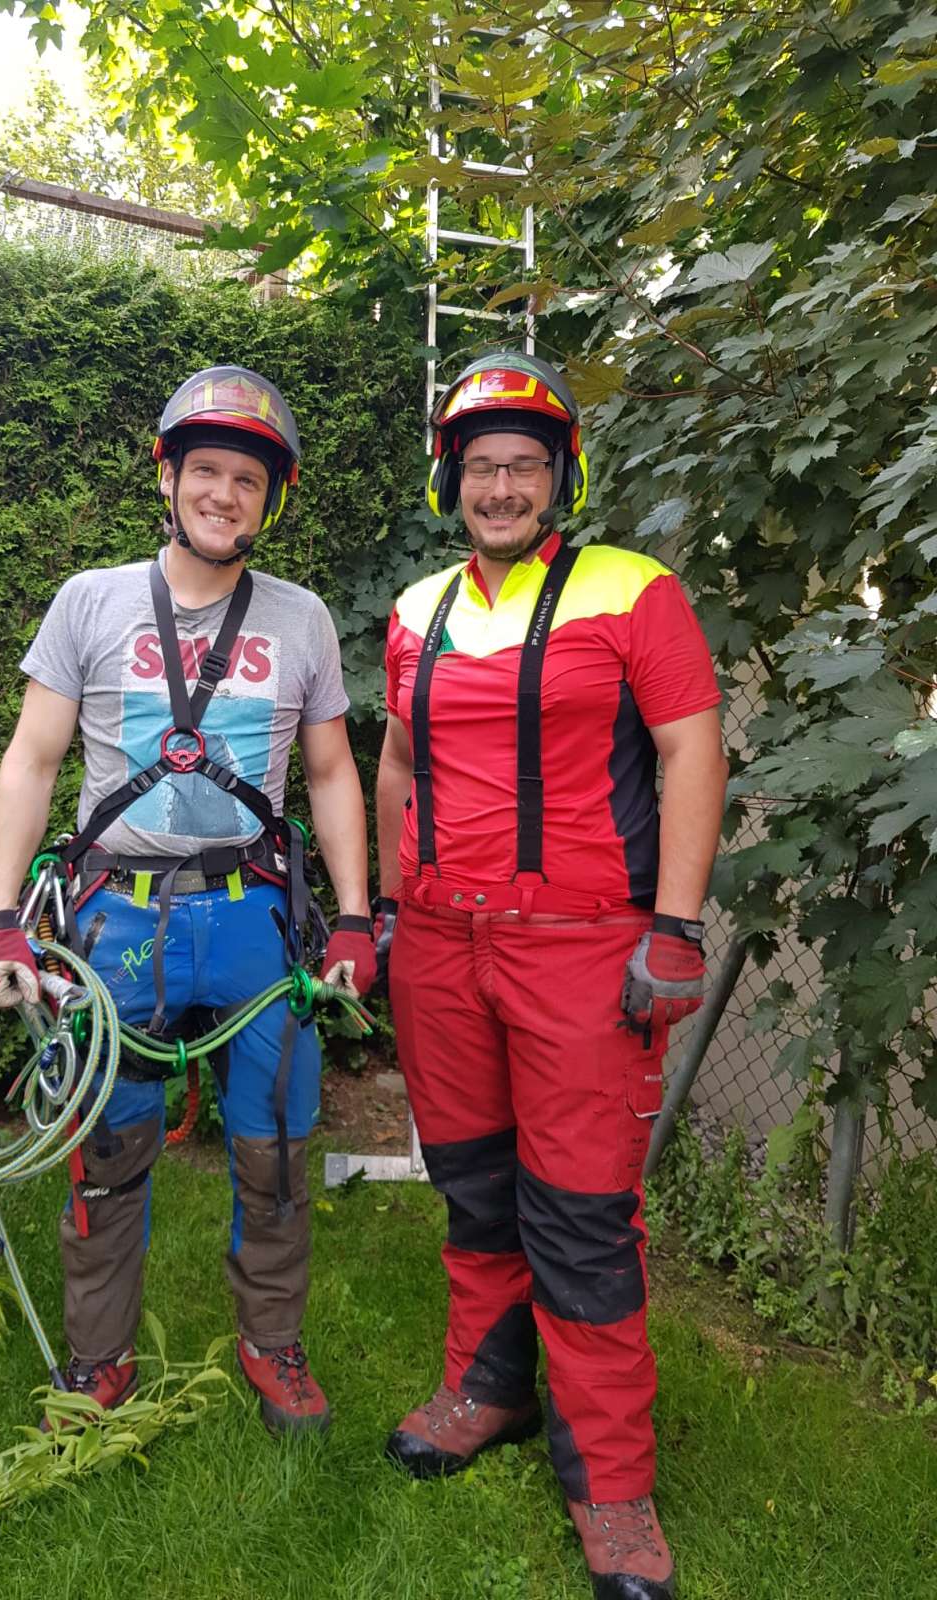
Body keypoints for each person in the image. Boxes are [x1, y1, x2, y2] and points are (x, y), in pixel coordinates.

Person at [374, 352, 727, 1599]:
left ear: (559, 475)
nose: (503, 486)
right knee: (474, 1188)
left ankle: (614, 1487)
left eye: (524, 465)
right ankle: (490, 1389)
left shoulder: (635, 590)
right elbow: (399, 763)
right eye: (481, 468)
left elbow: (692, 751)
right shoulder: (414, 609)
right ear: (452, 483)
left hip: (583, 945)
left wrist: (674, 925)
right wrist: (376, 905)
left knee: (581, 1219)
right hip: (438, 941)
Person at [0, 366, 376, 1435]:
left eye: (248, 478)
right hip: (119, 918)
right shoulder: (90, 601)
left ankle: (271, 1342)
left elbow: (331, 774)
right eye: (207, 471)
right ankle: (100, 1358)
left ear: (269, 498)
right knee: (108, 1144)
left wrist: (353, 914)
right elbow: (31, 757)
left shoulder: (303, 620)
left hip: (255, 916)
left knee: (277, 1146)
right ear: (170, 476)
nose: (225, 494)